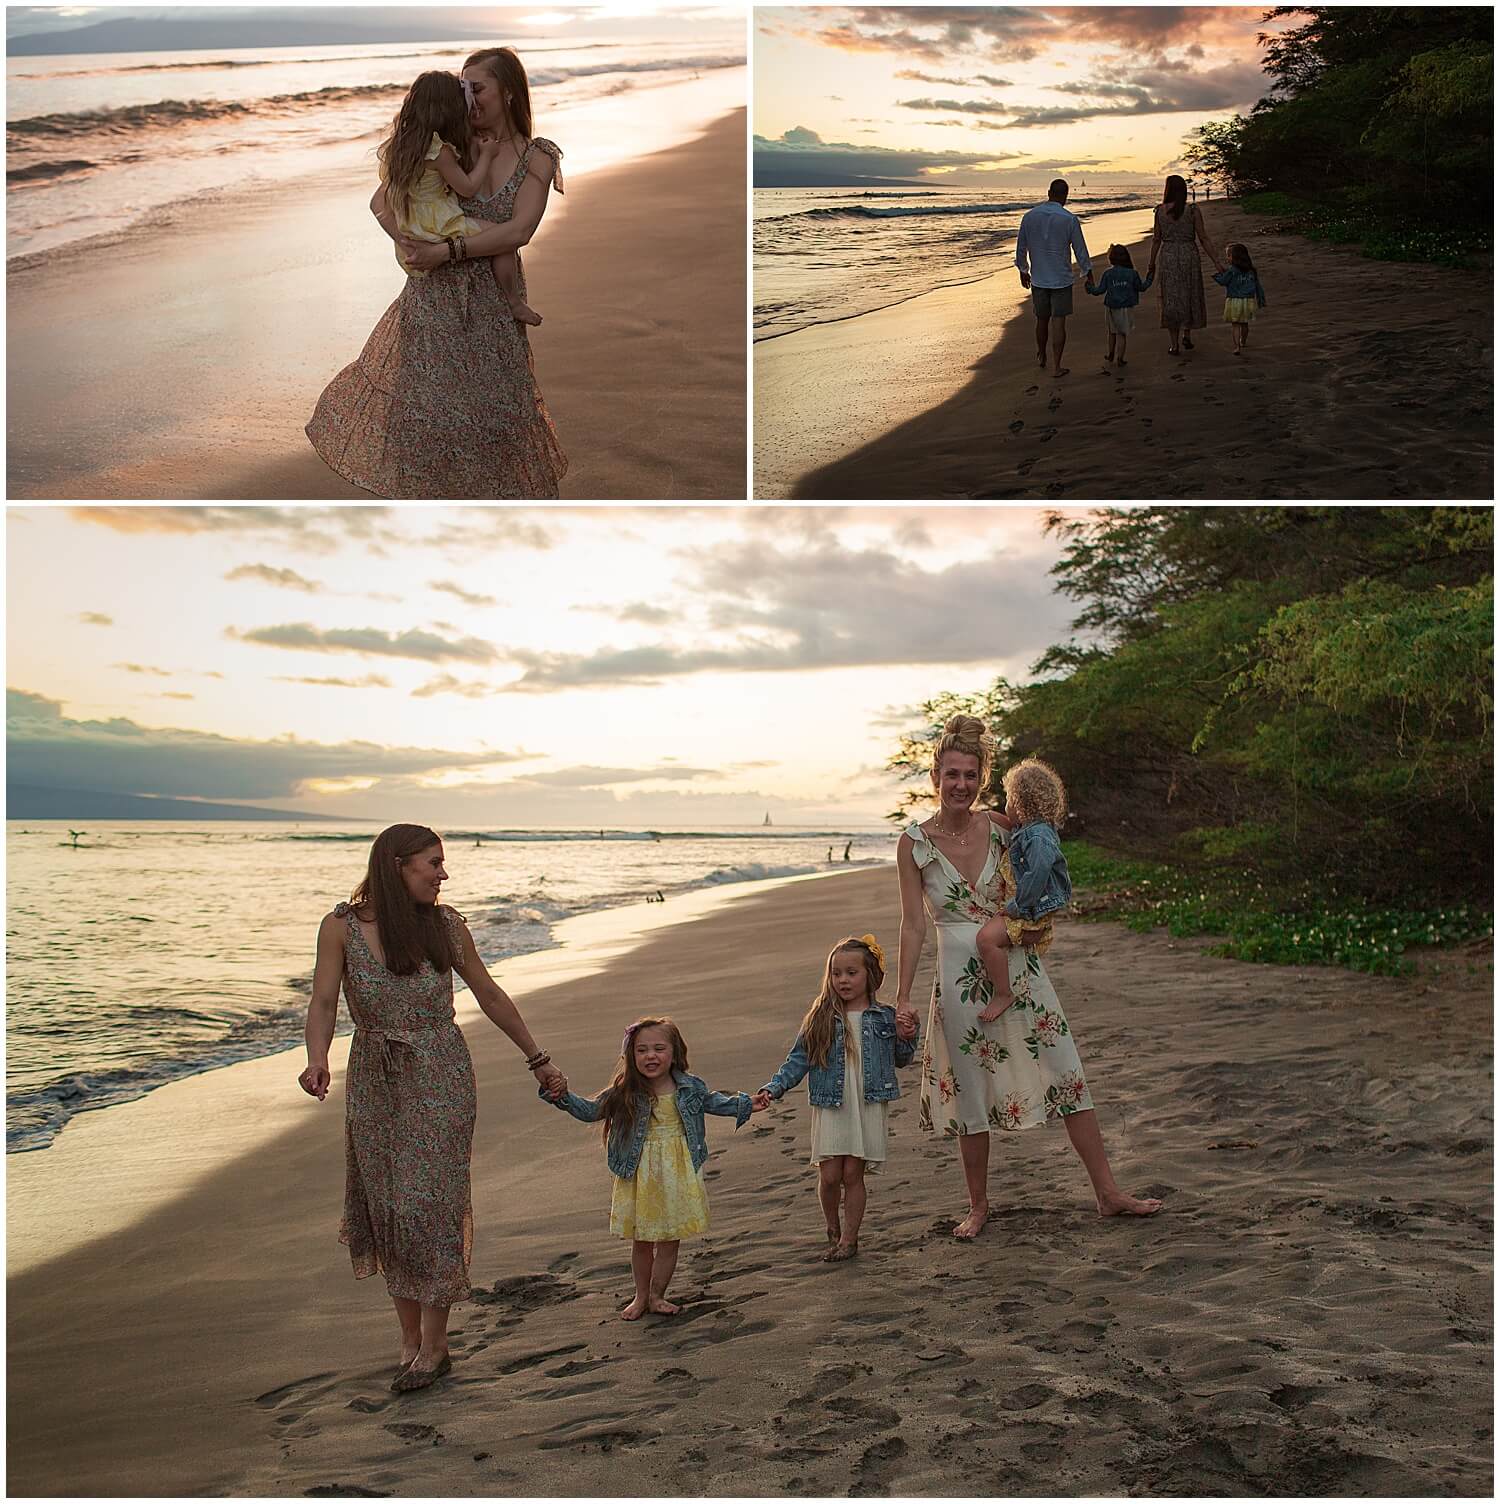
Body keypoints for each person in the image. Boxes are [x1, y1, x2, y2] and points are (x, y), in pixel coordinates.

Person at [300, 824, 567, 1391]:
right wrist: (317, 1058)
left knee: (430, 1205)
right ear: (397, 866)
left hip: (440, 1071)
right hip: (374, 1075)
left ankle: (437, 1344)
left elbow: (489, 993)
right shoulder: (340, 929)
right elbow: (323, 1001)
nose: (444, 875)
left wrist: (537, 1058)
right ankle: (409, 1340)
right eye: (433, 863)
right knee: (390, 1207)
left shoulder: (446, 927)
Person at [894, 715, 1162, 1241]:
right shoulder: (913, 845)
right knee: (971, 1095)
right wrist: (900, 996)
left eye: (971, 775)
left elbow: (1047, 865)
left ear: (983, 777)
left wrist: (1039, 924)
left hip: (1019, 967)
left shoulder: (1002, 826)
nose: (961, 785)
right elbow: (912, 924)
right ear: (934, 775)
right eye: (951, 774)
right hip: (956, 980)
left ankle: (1108, 1193)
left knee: (1067, 1072)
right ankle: (978, 1205)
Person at [305, 46, 567, 498]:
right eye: (463, 88)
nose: (468, 98)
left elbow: (518, 231)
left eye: (477, 87)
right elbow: (384, 201)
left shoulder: (537, 156)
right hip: (432, 305)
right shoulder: (445, 147)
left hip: (492, 309)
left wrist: (445, 250)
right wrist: (407, 243)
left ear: (507, 91)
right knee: (424, 425)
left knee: (498, 422)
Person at [541, 1017, 762, 1318]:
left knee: (670, 1239)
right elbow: (591, 1111)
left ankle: (658, 1296)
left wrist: (746, 1104)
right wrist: (562, 1096)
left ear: (674, 1052)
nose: (651, 1056)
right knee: (642, 1240)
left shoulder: (689, 1087)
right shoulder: (625, 1091)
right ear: (631, 1056)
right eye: (642, 1050)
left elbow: (715, 1102)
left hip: (677, 1172)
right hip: (640, 1174)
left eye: (659, 1048)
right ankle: (641, 1296)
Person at [753, 935, 918, 1261]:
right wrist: (774, 1087)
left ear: (871, 976)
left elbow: (901, 1058)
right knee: (829, 1176)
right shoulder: (821, 1017)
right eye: (836, 973)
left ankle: (849, 1239)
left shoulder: (884, 1017)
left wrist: (908, 1036)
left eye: (851, 972)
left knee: (852, 1176)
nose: (842, 980)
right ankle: (832, 1227)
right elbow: (798, 1059)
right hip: (832, 1103)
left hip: (866, 1103)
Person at [376, 70, 540, 326]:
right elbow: (467, 188)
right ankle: (513, 301)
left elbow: (377, 204)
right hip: (441, 224)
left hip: (414, 230)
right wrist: (486, 155)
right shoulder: (439, 152)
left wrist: (404, 240)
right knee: (501, 239)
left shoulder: (402, 147)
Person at [974, 759, 1073, 1019]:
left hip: (1027, 907)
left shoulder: (1038, 837)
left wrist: (1019, 906)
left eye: (1008, 799)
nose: (1005, 805)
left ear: (1020, 803)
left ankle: (1003, 993)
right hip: (1028, 906)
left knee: (985, 939)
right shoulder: (1029, 832)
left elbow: (1037, 874)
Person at [1015, 178, 1093, 379]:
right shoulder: (1069, 219)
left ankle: (1042, 356)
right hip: (1061, 279)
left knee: (1041, 320)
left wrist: (1023, 270)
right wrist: (1088, 273)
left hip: (1039, 278)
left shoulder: (1029, 217)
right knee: (1058, 322)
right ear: (1065, 196)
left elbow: (1021, 247)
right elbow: (1080, 249)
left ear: (1049, 192)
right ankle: (1057, 366)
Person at [1145, 174, 1224, 357]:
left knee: (1171, 297)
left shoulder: (1160, 211)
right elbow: (1203, 237)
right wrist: (1216, 262)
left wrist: (1151, 263)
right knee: (1189, 293)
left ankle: (1174, 344)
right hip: (1189, 254)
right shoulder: (1193, 210)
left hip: (1168, 256)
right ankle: (1187, 334)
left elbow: (1156, 240)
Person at [1084, 244, 1154, 368]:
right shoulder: (1132, 273)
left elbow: (1099, 290)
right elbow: (1141, 287)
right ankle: (1120, 358)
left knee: (1112, 332)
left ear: (1111, 258)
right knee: (1122, 334)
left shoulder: (1108, 274)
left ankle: (1110, 354)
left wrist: (1089, 287)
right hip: (1126, 308)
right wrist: (1149, 278)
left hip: (1111, 307)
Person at [1213, 242, 1268, 355]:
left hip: (1234, 301)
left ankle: (1237, 346)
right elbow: (1258, 286)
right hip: (1248, 301)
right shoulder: (1251, 271)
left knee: (1235, 325)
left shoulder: (1232, 271)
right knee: (1245, 324)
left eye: (1228, 255)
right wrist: (1261, 299)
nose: (1227, 258)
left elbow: (1223, 281)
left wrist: (1217, 275)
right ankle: (1243, 341)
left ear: (1235, 257)